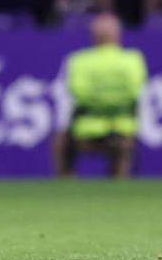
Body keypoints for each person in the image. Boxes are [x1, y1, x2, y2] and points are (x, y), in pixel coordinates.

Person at [54, 13, 147, 178]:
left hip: (86, 130)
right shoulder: (133, 59)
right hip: (122, 128)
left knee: (61, 140)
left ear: (94, 36)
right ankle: (120, 185)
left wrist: (99, 98)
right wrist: (113, 100)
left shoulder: (79, 60)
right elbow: (134, 91)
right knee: (124, 149)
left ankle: (66, 185)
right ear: (117, 35)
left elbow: (78, 92)